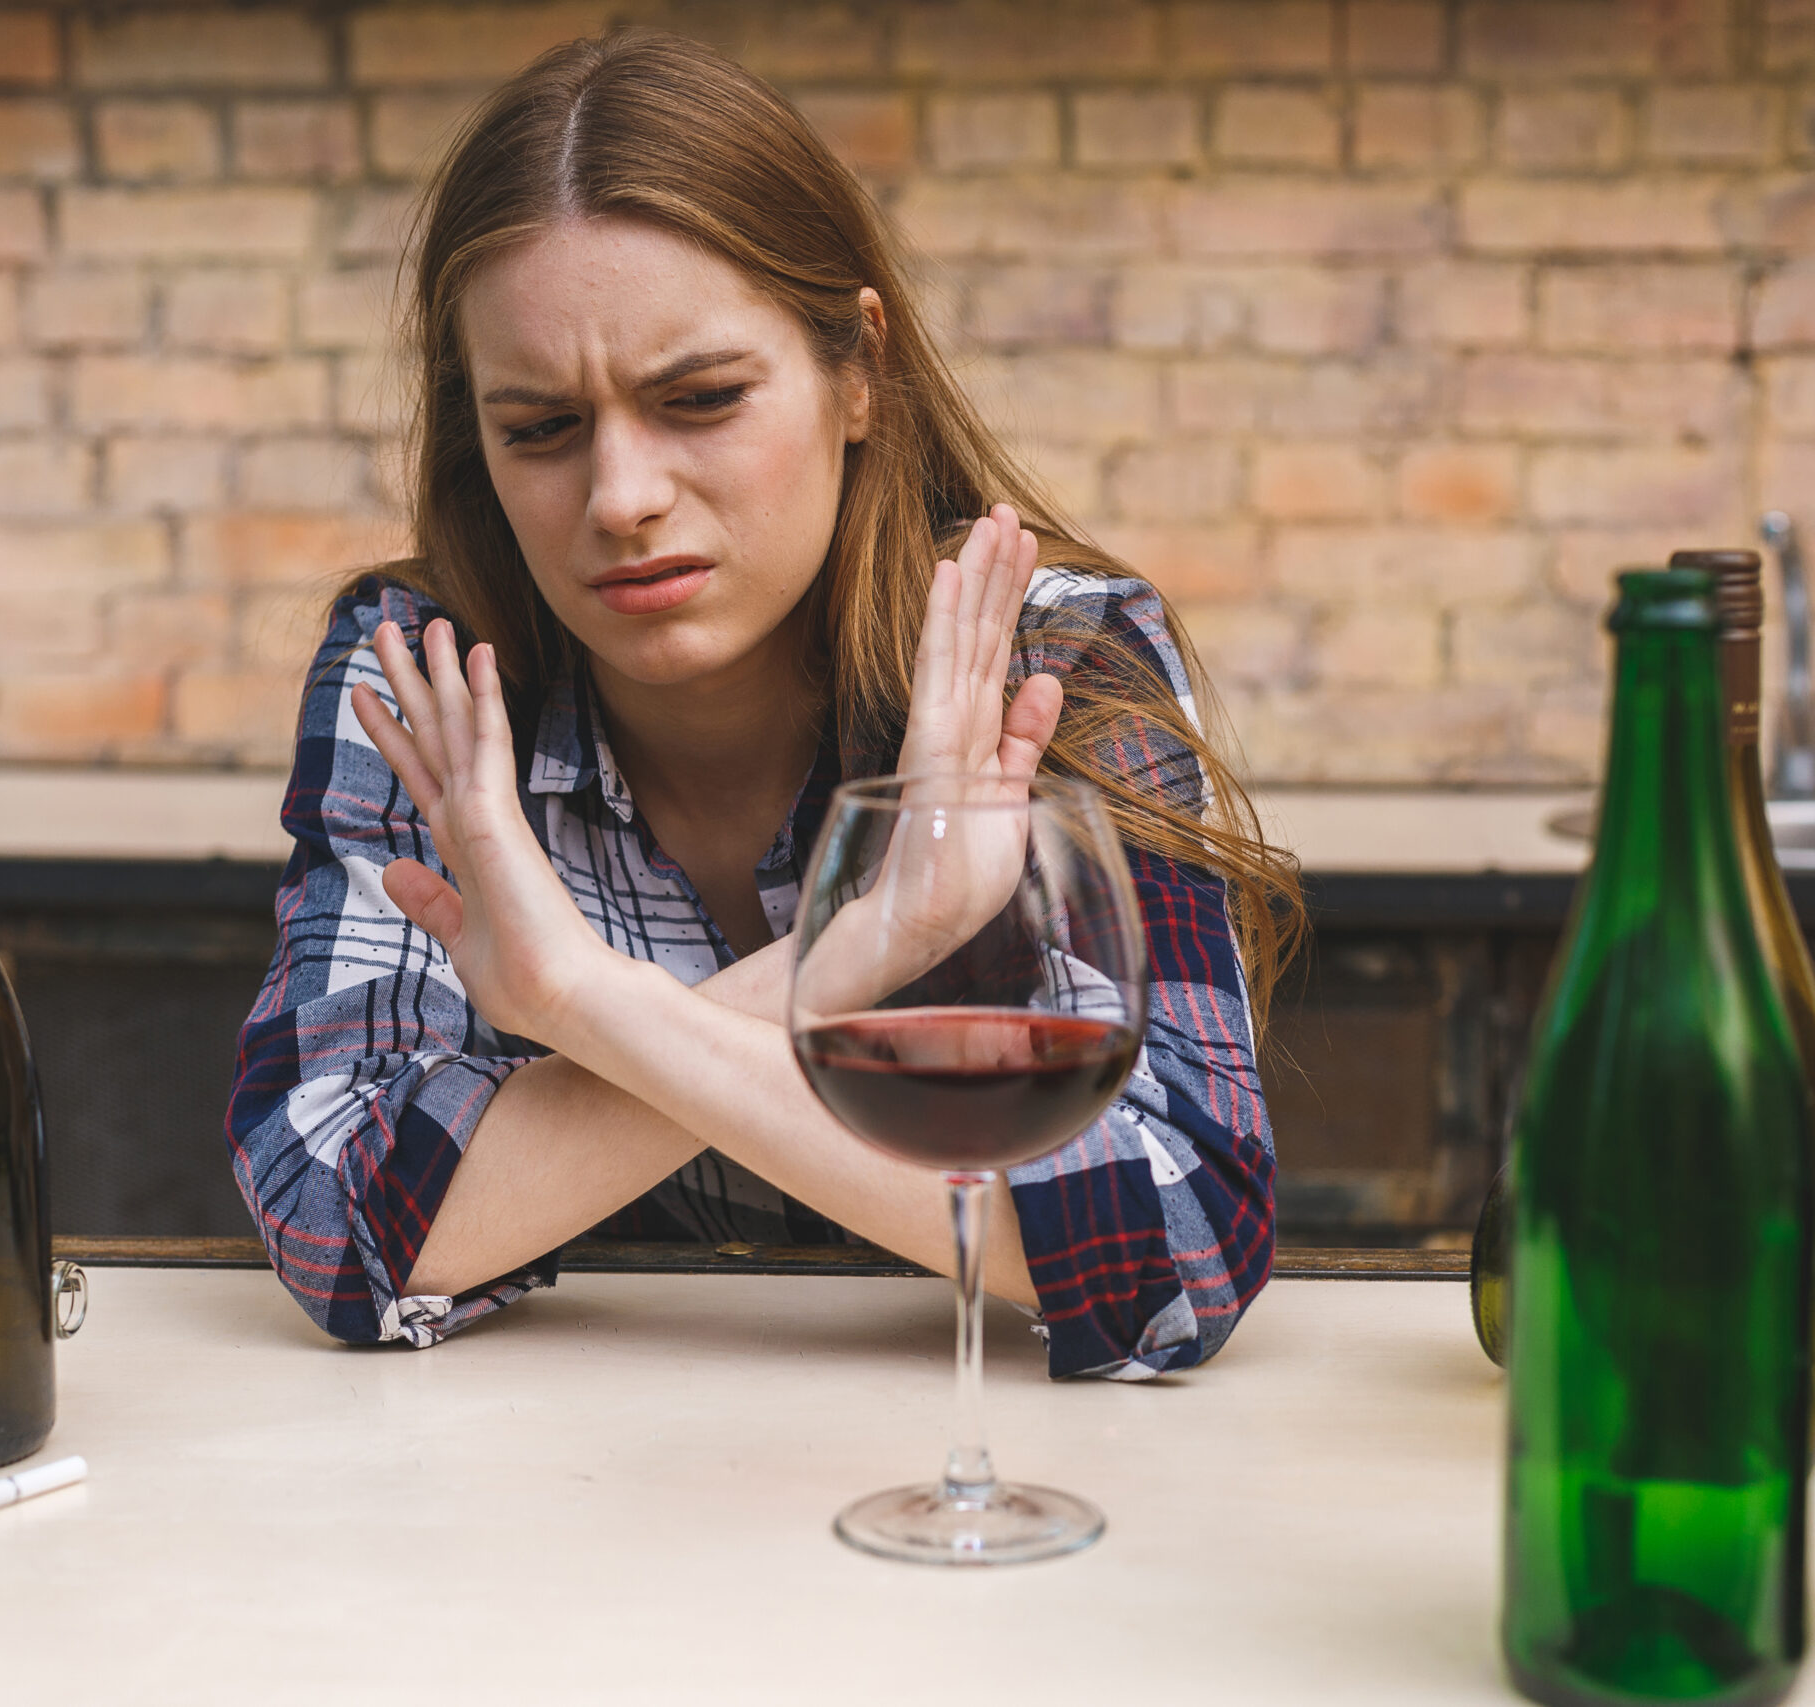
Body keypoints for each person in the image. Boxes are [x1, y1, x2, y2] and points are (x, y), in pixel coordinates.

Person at [226, 29, 1300, 1380]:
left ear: (857, 371)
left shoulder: (1054, 659)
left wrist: (582, 1008)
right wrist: (859, 950)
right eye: (542, 427)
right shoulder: (424, 673)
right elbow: (337, 1216)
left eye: (700, 398)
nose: (620, 497)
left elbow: (1182, 1236)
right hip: (566, 1484)